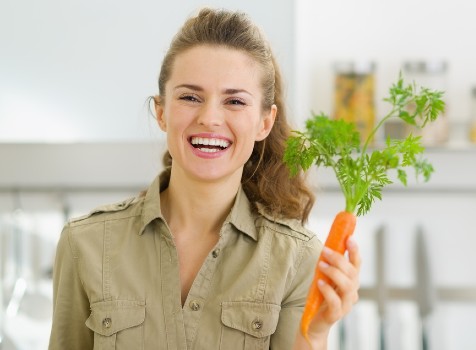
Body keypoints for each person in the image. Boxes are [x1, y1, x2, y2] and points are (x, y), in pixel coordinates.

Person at [49, 7, 361, 350]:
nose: (210, 118)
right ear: (162, 111)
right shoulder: (86, 244)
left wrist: (313, 336)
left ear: (264, 122)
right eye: (190, 97)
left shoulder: (298, 259)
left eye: (235, 101)